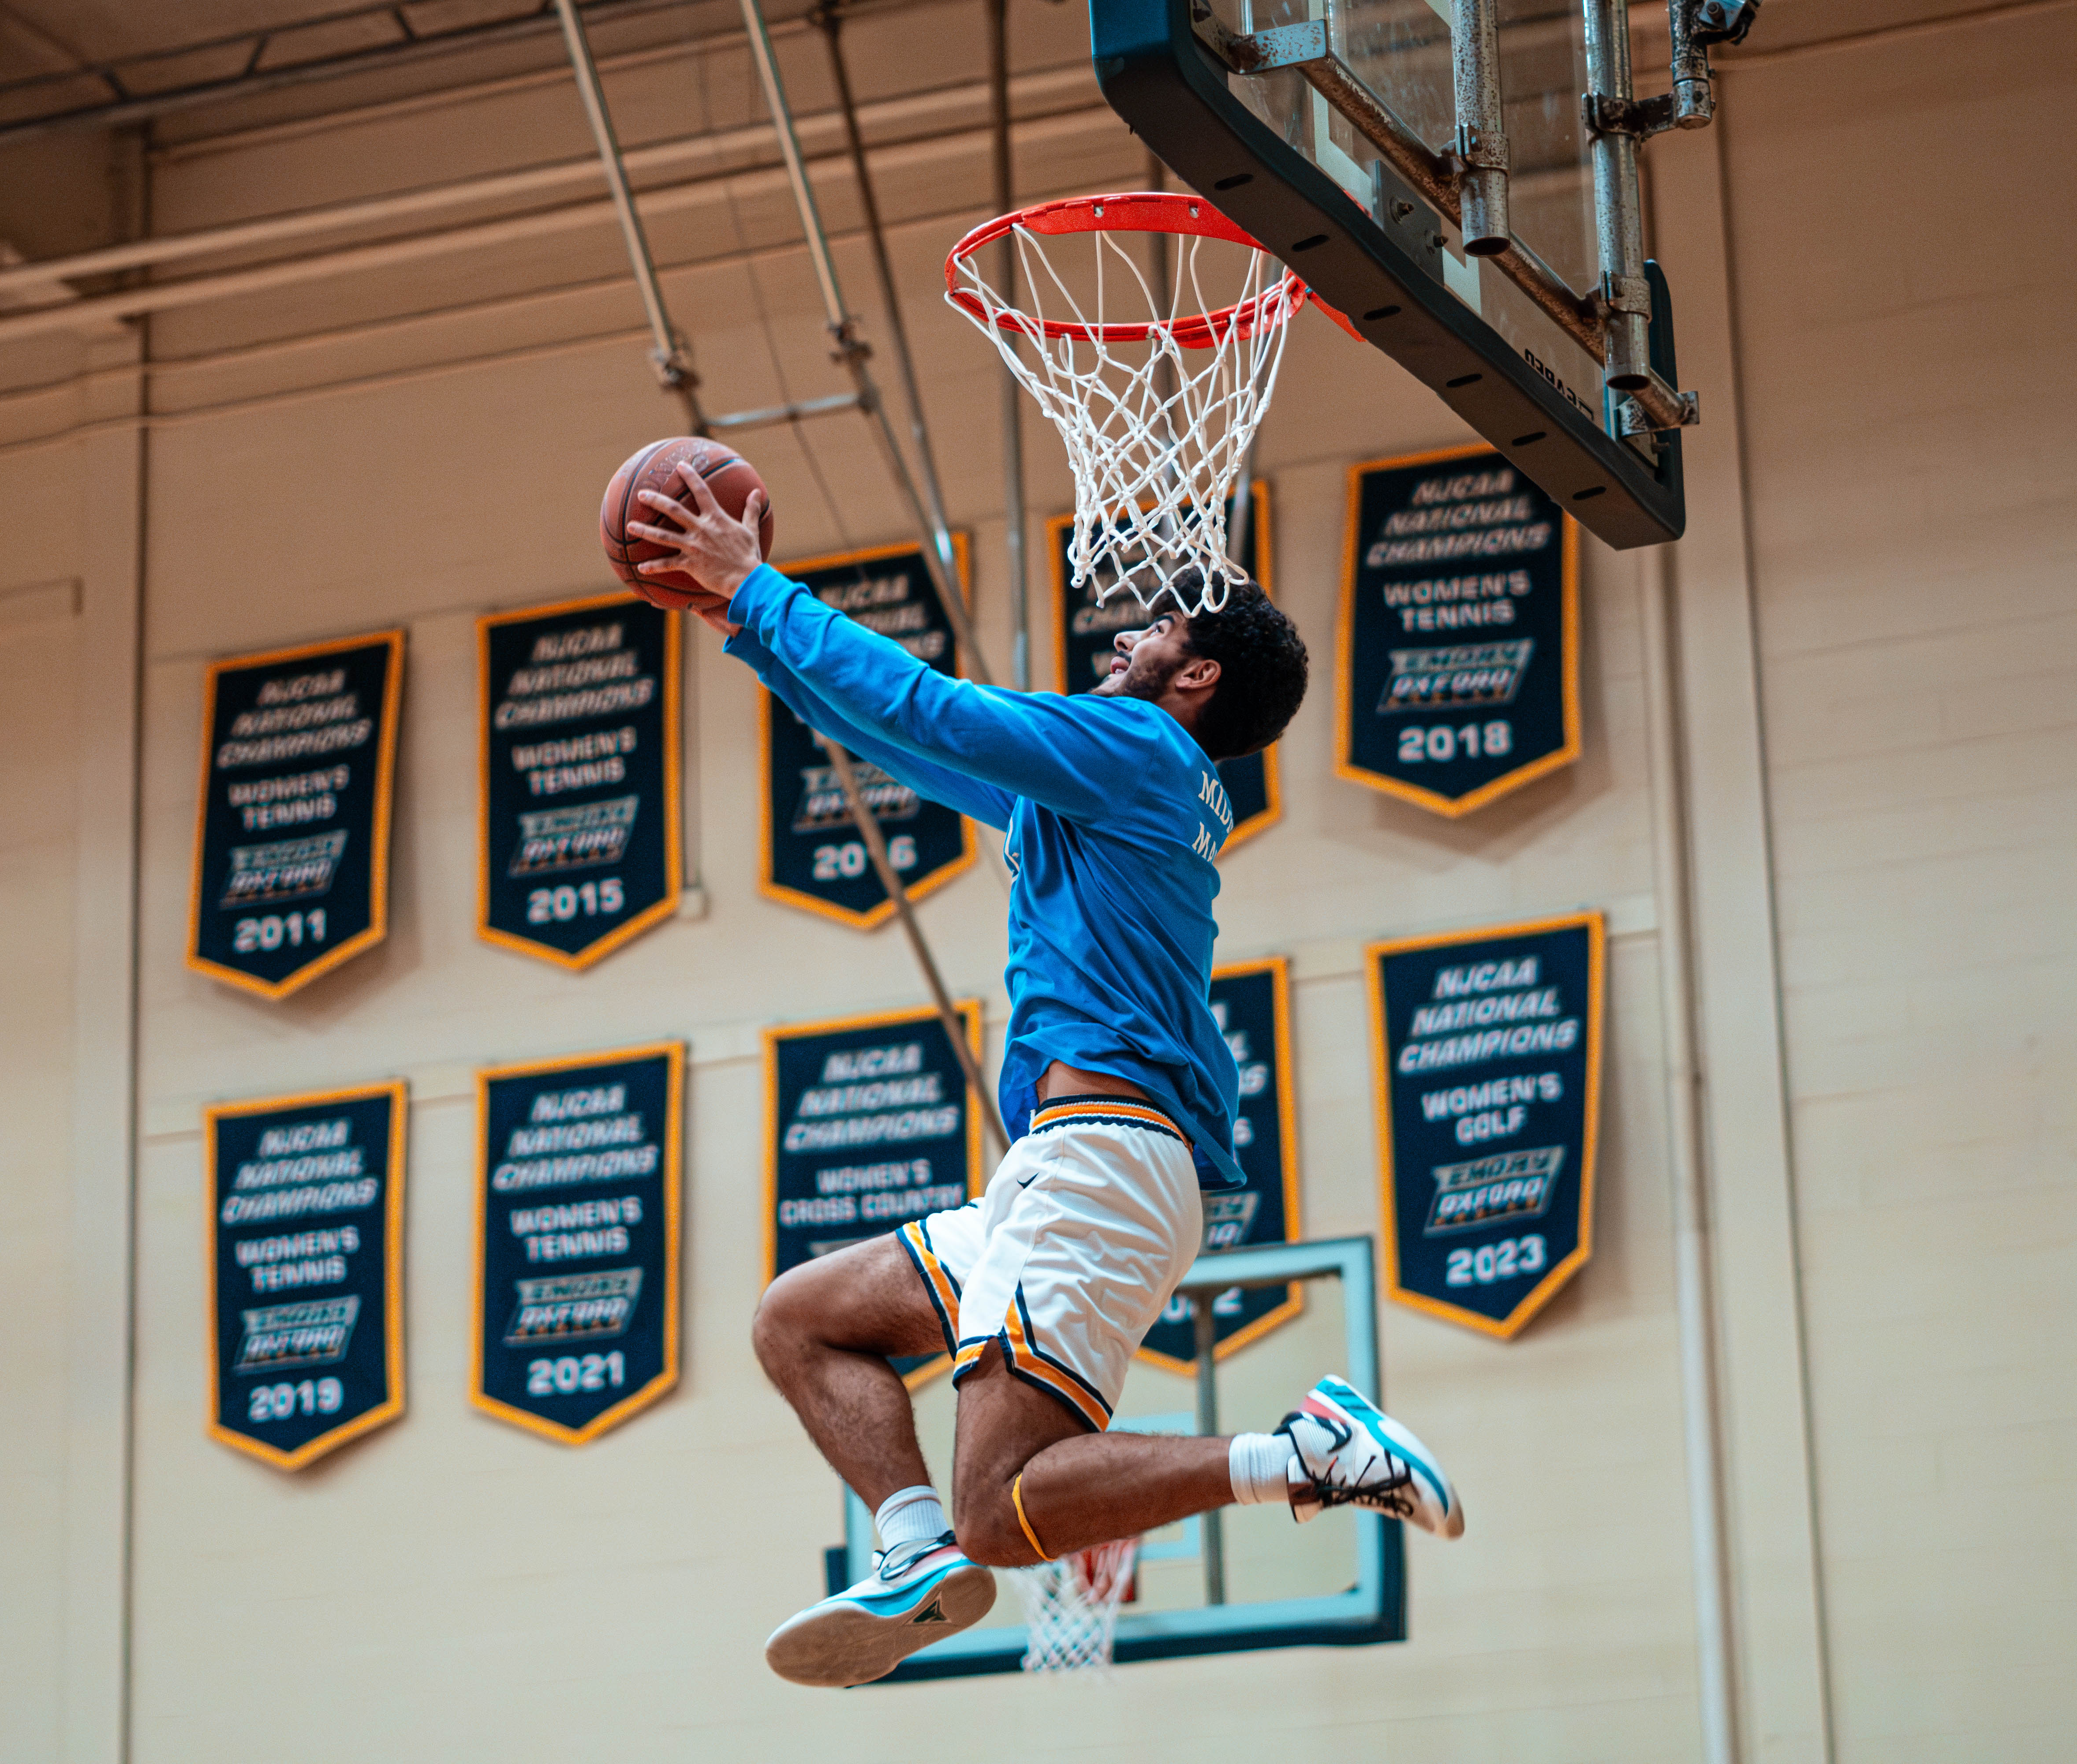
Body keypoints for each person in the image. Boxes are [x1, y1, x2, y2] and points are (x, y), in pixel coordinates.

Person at [627, 465, 1464, 1689]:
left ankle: (1301, 1457)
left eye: (1158, 629)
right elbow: (893, 732)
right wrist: (747, 628)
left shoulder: (1136, 749)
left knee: (1003, 1509)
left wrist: (756, 586)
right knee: (805, 1321)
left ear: (1195, 680)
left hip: (1106, 1155)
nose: (1125, 635)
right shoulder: (1107, 792)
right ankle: (912, 1555)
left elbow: (933, 703)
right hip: (1072, 1164)